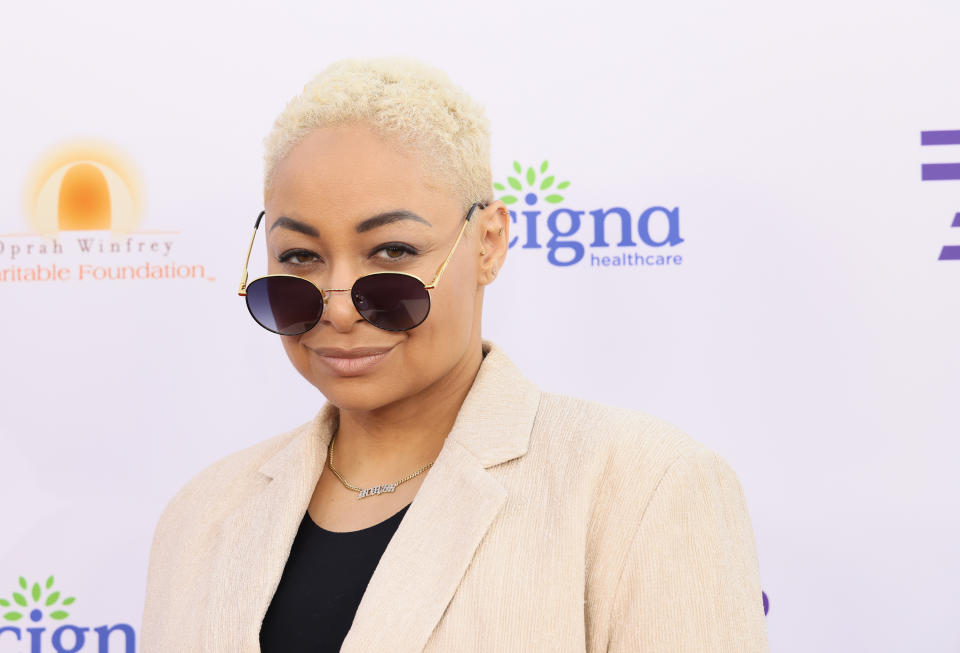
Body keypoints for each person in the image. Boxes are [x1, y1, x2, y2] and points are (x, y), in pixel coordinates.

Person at [140, 57, 770, 652]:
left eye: (391, 253)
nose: (336, 308)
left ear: (488, 243)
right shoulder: (204, 514)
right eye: (300, 258)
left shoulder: (641, 487)